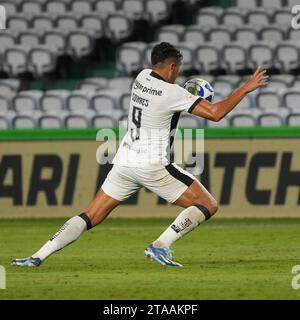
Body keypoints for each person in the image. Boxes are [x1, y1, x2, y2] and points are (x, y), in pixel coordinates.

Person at [12, 42, 269, 268]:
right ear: (170, 67)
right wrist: (244, 88)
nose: (177, 74)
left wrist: (185, 94)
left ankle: (37, 256)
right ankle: (160, 245)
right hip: (152, 165)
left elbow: (166, 100)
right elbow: (214, 113)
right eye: (177, 69)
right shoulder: (173, 93)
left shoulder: (141, 77)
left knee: (90, 215)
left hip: (124, 161)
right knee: (207, 204)